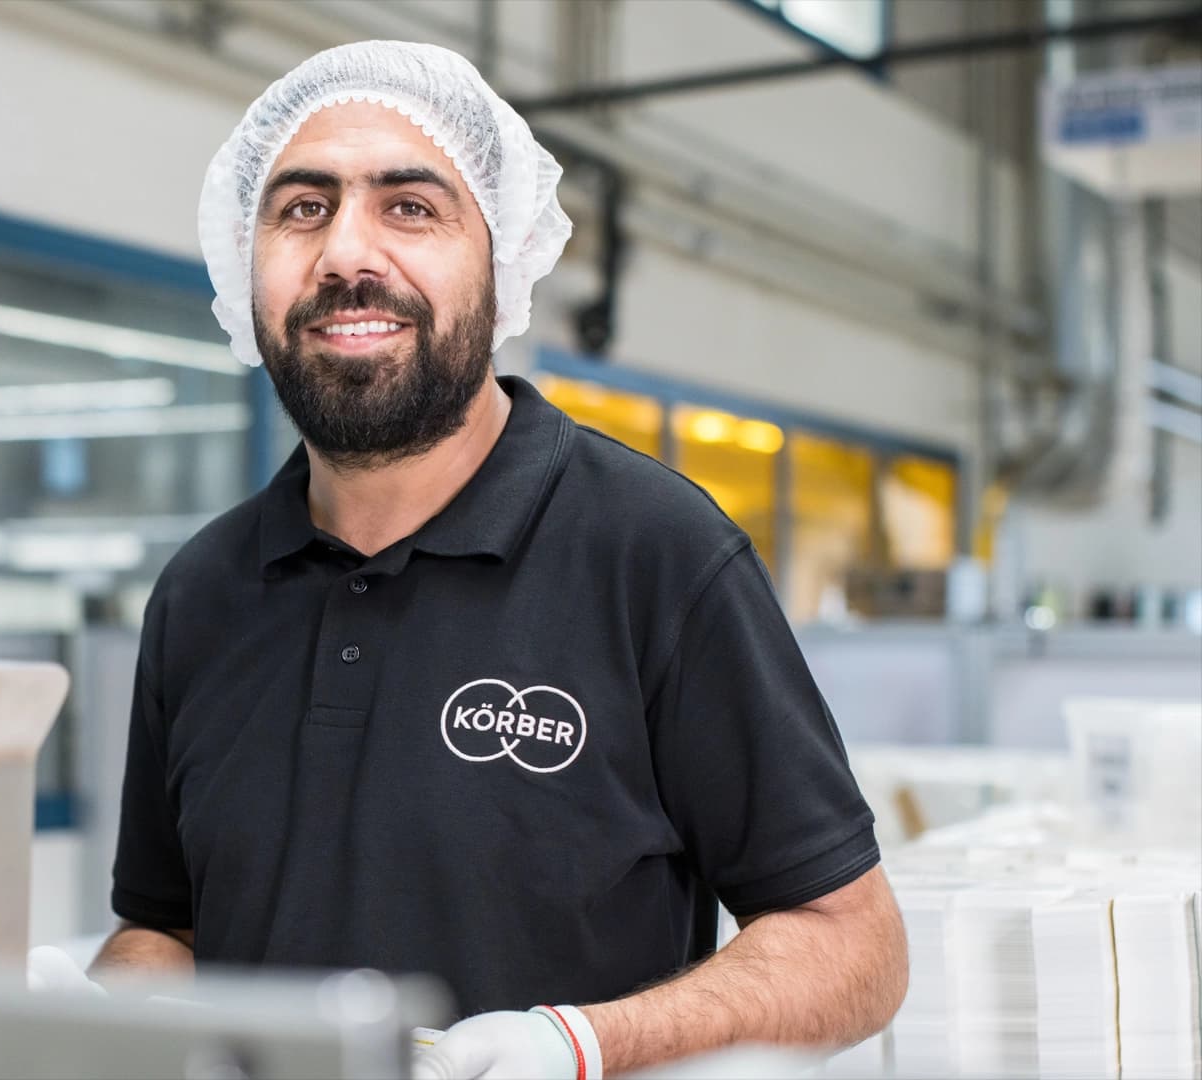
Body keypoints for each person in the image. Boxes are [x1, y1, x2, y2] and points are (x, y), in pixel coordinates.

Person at [52, 40, 909, 1079]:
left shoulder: (655, 551)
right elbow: (169, 932)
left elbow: (851, 945)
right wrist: (81, 1015)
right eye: (301, 208)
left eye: (410, 207)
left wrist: (583, 1042)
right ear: (246, 263)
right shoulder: (202, 592)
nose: (345, 255)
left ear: (502, 263)